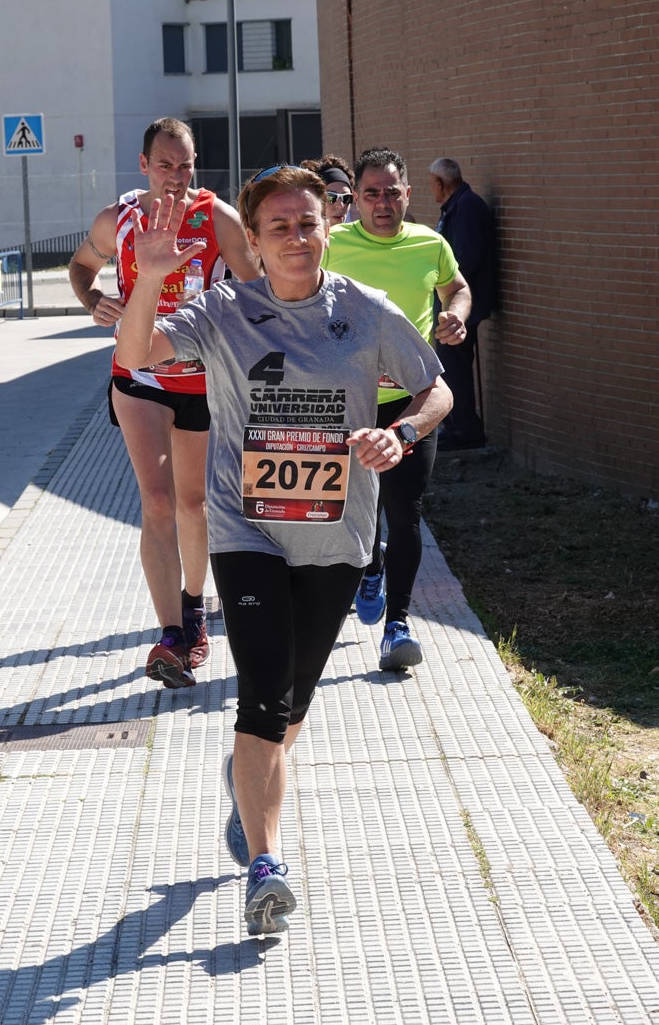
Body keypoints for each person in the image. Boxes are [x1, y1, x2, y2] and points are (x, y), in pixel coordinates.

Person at [114, 165, 452, 937]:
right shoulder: (225, 309)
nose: (296, 238)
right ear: (255, 241)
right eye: (279, 228)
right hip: (247, 529)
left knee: (292, 702)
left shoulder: (363, 311)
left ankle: (245, 780)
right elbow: (138, 354)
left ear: (324, 227)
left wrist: (398, 434)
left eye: (307, 223)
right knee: (262, 693)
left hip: (334, 536)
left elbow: (435, 387)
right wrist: (149, 280)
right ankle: (266, 866)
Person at [69, 117, 258, 688]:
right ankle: (171, 635)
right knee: (156, 502)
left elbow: (258, 292)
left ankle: (195, 607)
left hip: (201, 381)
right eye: (165, 164)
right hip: (138, 376)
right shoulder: (118, 219)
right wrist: (94, 299)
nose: (176, 176)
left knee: (192, 505)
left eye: (186, 164)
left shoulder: (216, 217)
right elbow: (80, 267)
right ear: (144, 164)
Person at [324, 147, 471, 670]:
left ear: (407, 195)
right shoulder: (332, 244)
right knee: (353, 508)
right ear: (355, 198)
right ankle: (369, 566)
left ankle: (399, 625)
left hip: (414, 401)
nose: (382, 203)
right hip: (348, 403)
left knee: (404, 510)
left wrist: (455, 315)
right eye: (371, 194)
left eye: (392, 193)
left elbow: (458, 288)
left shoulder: (430, 244)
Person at [429, 157, 497, 450]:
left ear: (441, 183)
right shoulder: (457, 205)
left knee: (454, 365)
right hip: (453, 303)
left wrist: (446, 287)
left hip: (461, 305)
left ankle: (464, 428)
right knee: (451, 364)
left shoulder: (466, 207)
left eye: (432, 183)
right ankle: (457, 425)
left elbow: (465, 259)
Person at [300, 153, 356, 226]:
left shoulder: (359, 235)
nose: (340, 205)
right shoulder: (301, 236)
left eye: (346, 198)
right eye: (330, 197)